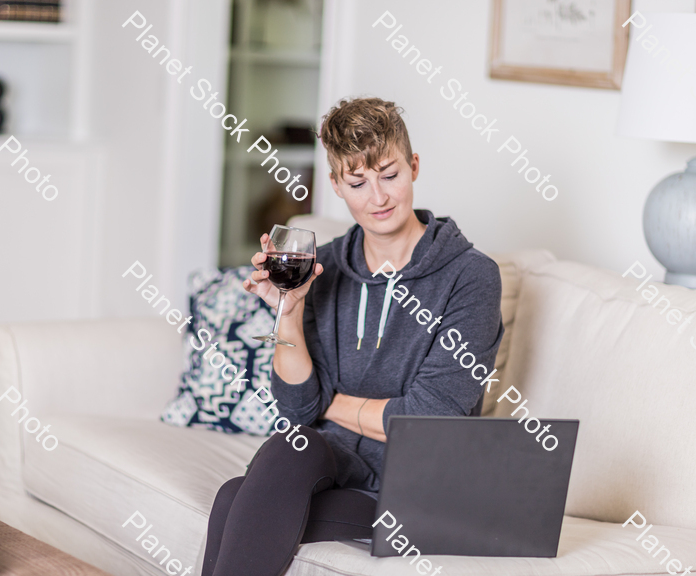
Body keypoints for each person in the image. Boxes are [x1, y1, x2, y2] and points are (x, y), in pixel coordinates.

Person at [200, 97, 504, 576]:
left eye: (389, 175)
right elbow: (297, 407)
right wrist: (288, 313)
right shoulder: (327, 263)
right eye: (358, 182)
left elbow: (429, 420)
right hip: (330, 467)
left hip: (414, 487)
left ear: (414, 167)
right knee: (287, 448)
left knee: (235, 498)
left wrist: (329, 401)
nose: (378, 197)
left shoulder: (471, 277)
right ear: (337, 185)